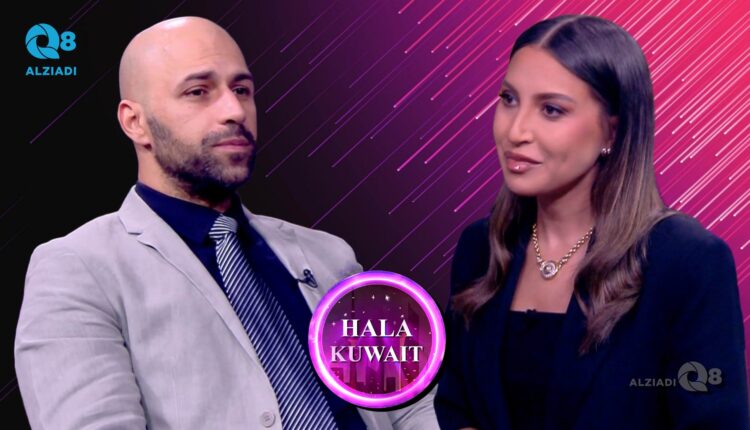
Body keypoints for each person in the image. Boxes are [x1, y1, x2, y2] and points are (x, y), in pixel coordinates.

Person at [15, 16, 438, 430]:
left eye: (241, 89)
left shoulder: (329, 254)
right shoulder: (77, 270)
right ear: (135, 122)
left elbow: (409, 405)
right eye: (198, 91)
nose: (234, 110)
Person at [434, 14, 748, 430]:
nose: (516, 130)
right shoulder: (480, 247)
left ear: (612, 133)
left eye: (551, 109)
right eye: (509, 99)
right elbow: (455, 405)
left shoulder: (688, 261)